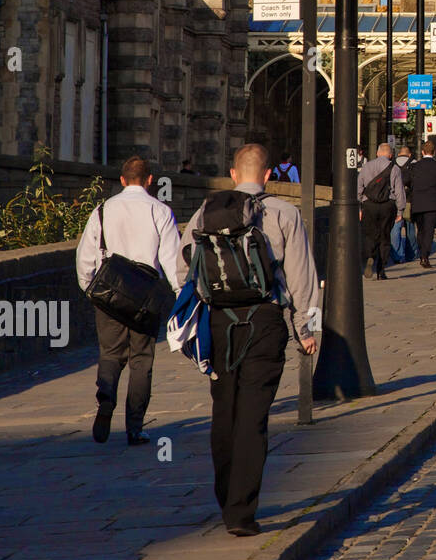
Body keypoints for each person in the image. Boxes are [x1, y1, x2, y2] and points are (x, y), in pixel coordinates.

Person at [176, 143, 320, 538]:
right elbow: (301, 277)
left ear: (234, 174)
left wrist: (200, 306)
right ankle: (241, 512)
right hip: (266, 321)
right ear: (269, 174)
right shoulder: (286, 214)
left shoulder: (207, 212)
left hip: (219, 323)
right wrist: (305, 331)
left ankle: (226, 496)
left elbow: (181, 265)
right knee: (254, 416)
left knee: (224, 411)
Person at [75, 155, 183, 446]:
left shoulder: (102, 210)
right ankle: (134, 428)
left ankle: (106, 397)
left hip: (109, 295)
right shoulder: (160, 211)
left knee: (110, 354)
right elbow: (171, 260)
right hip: (145, 299)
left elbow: (85, 256)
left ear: (122, 180)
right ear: (150, 180)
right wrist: (180, 294)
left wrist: (89, 289)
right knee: (141, 361)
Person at [357, 142, 405, 280]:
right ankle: (381, 270)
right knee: (385, 237)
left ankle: (370, 257)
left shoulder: (366, 167)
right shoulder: (394, 169)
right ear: (390, 155)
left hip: (369, 205)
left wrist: (360, 206)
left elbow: (359, 188)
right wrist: (400, 211)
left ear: (377, 153)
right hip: (387, 206)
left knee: (369, 235)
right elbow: (399, 192)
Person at [407, 139, 436, 269]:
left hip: (418, 203)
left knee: (420, 230)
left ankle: (421, 253)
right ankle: (425, 256)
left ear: (423, 152)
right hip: (432, 203)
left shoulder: (414, 167)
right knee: (429, 231)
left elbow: (408, 182)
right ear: (434, 152)